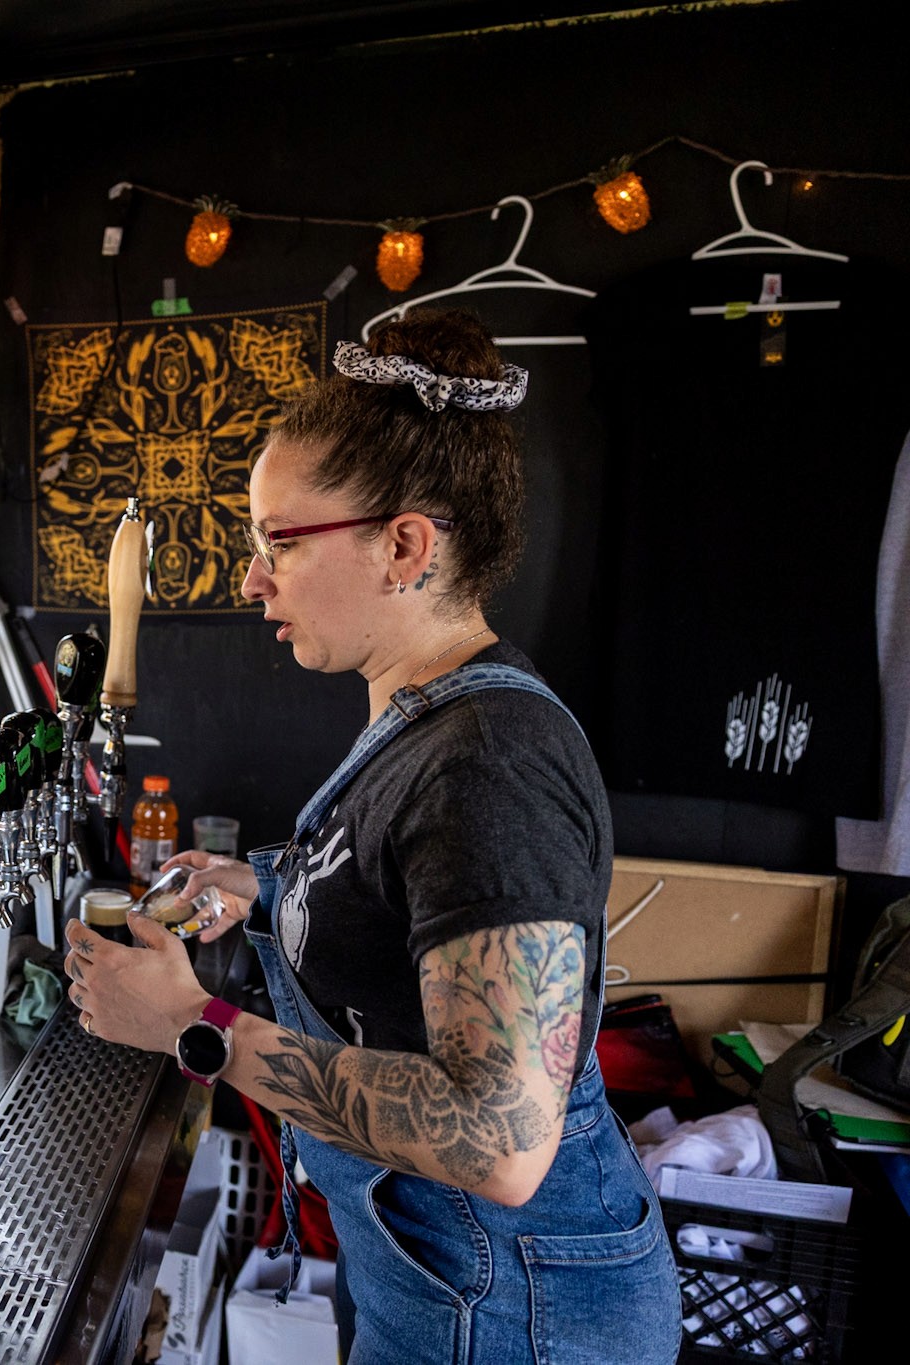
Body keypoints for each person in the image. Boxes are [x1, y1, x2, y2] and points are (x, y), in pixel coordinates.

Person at [65, 312, 680, 1365]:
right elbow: (407, 890)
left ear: (402, 546)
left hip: (513, 1318)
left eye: (279, 544)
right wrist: (269, 885)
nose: (251, 579)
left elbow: (498, 1139)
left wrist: (193, 1023)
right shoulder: (425, 716)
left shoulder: (488, 760)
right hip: (433, 1276)